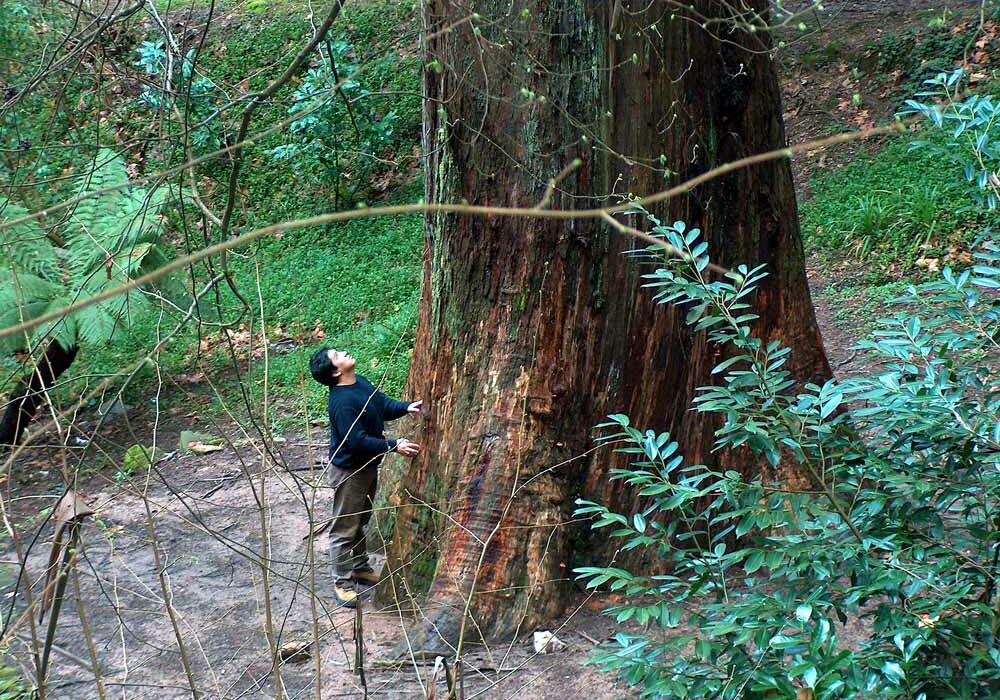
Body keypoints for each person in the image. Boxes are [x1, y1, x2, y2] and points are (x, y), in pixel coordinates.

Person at [309, 347, 422, 608]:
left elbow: (380, 404)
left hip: (367, 466)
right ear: (336, 371)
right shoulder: (341, 402)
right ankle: (342, 583)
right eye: (337, 355)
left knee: (361, 520)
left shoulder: (359, 383)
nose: (344, 352)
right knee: (344, 528)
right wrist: (394, 445)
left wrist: (406, 407)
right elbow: (356, 441)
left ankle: (359, 567)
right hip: (350, 471)